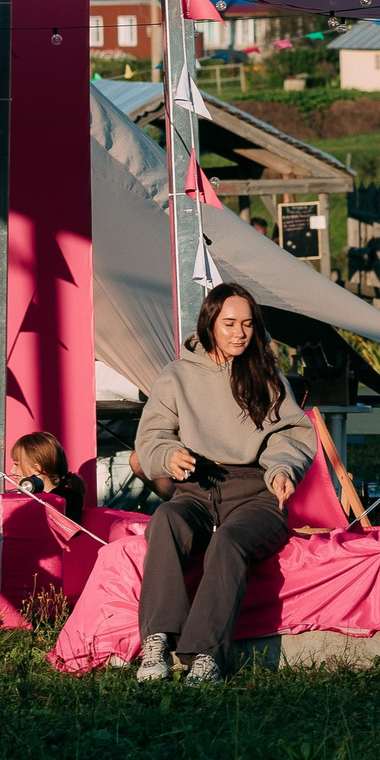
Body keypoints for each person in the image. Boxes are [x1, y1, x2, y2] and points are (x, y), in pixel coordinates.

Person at [132, 282, 316, 684]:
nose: (239, 333)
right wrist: (168, 456)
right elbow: (151, 437)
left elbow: (289, 436)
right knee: (165, 519)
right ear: (209, 324)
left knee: (228, 540)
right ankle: (157, 640)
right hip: (197, 487)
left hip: (255, 493)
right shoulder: (177, 375)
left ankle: (206, 655)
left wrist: (283, 469)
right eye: (229, 323)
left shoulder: (266, 376)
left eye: (248, 324)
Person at [11, 430, 86, 522]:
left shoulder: (60, 502)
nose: (12, 470)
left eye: (17, 464)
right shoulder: (65, 496)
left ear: (37, 469)